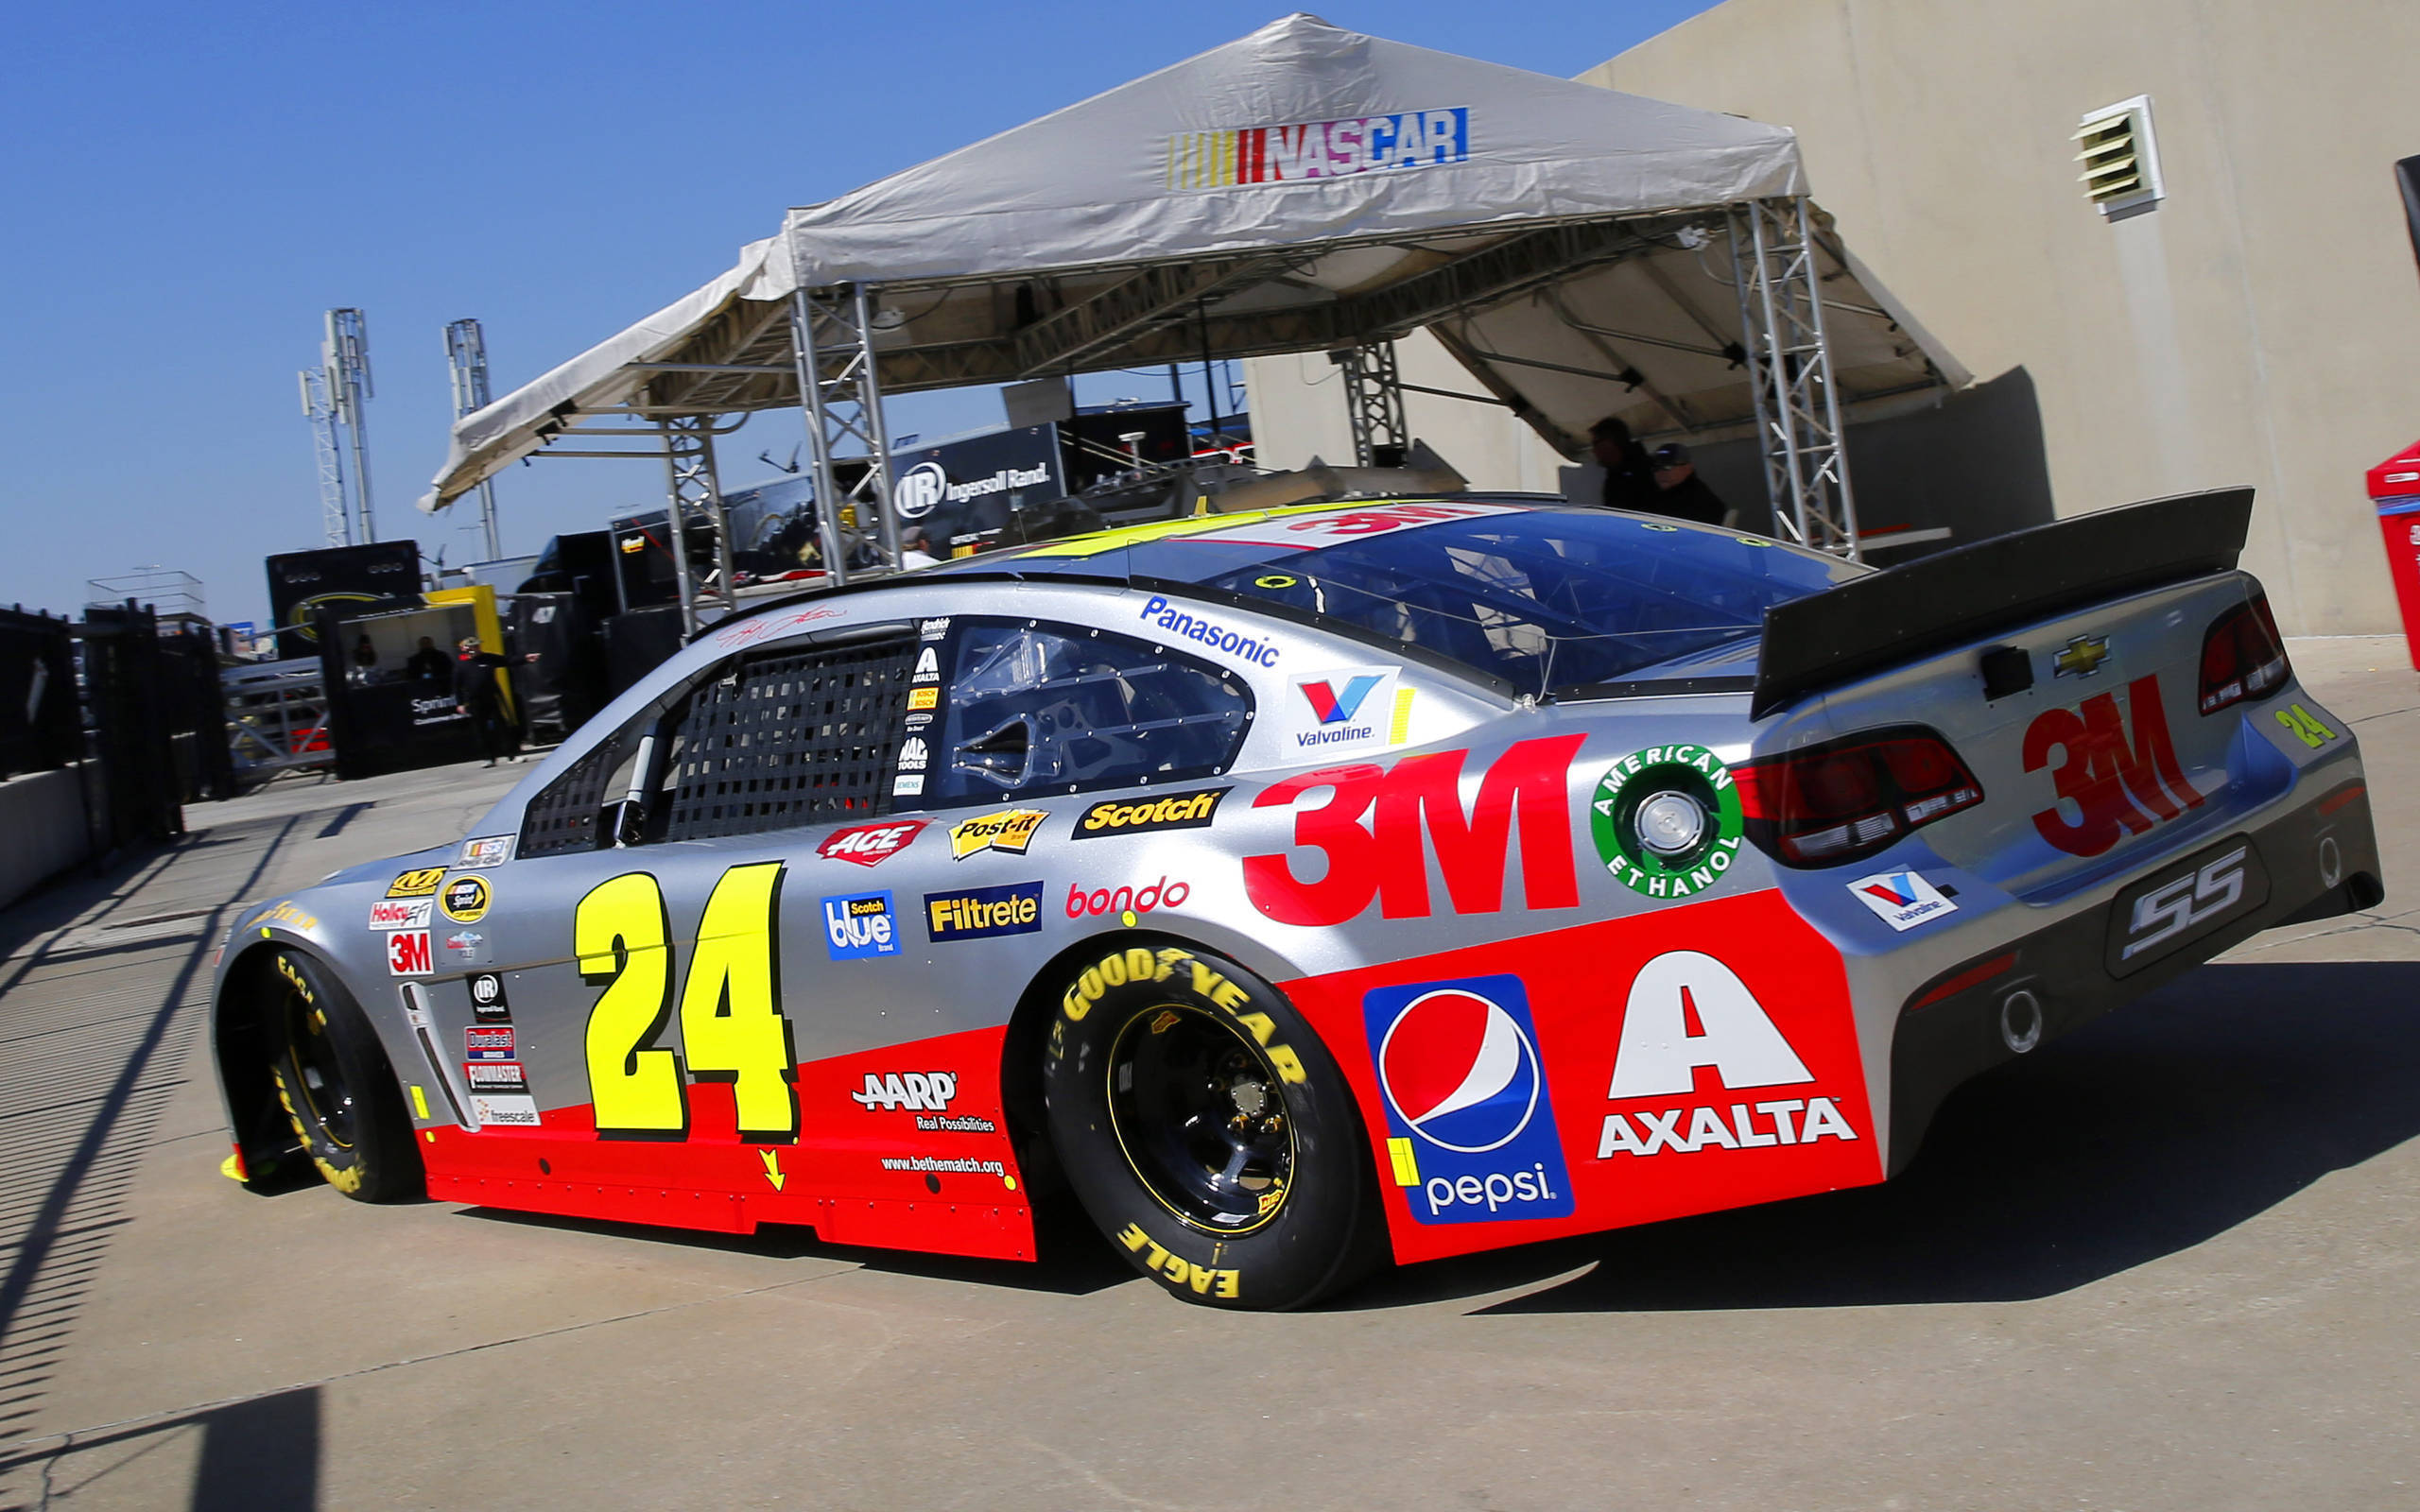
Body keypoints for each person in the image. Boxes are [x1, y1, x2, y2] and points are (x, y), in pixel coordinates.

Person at [452, 637, 527, 766]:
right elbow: (456, 686)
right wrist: (460, 703)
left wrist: (525, 659)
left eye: (476, 646)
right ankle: (489, 758)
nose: (474, 649)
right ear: (464, 649)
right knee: (481, 730)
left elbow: (507, 660)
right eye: (470, 647)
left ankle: (512, 755)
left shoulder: (488, 658)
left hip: (491, 698)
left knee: (502, 726)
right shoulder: (461, 664)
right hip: (474, 702)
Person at [1589, 417, 1661, 513]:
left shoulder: (1647, 472)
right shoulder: (1615, 474)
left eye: (1595, 443)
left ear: (1609, 442)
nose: (1593, 450)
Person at [1650, 442, 1729, 526]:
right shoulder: (1653, 494)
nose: (1660, 472)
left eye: (1667, 466)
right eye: (1656, 467)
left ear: (1688, 467)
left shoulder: (1702, 502)